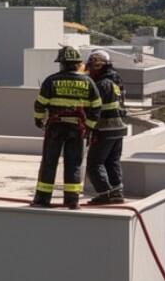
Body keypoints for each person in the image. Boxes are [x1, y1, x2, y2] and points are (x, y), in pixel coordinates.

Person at [32, 45, 101, 209]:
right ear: (78, 63)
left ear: (62, 63)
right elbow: (96, 107)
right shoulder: (88, 82)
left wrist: (39, 120)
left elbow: (40, 104)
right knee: (74, 164)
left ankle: (42, 199)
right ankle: (72, 200)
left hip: (55, 128)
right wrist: (89, 128)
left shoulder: (51, 81)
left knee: (49, 162)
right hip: (77, 130)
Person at [85, 49, 128, 204]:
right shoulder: (117, 81)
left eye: (90, 66)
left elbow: (92, 107)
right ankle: (117, 193)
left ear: (97, 66)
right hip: (119, 129)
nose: (88, 69)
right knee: (112, 162)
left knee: (94, 163)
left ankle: (105, 194)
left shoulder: (101, 84)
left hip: (104, 130)